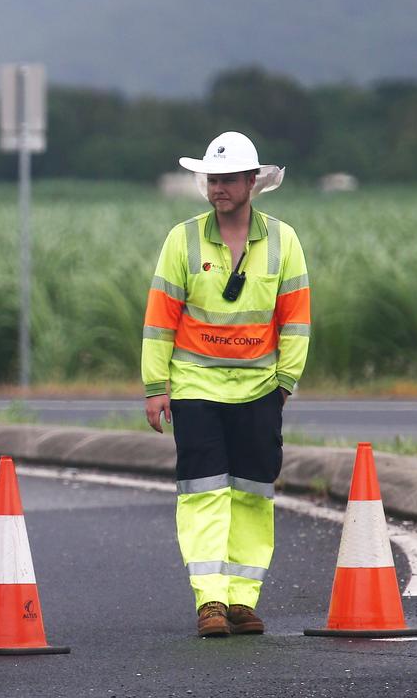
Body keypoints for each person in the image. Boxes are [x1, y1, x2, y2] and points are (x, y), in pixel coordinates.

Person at [141, 132, 311, 637]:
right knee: (203, 493)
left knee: (254, 494)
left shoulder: (283, 240)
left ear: (252, 183)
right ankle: (210, 600)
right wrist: (156, 386)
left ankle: (242, 599)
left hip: (260, 390)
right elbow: (160, 319)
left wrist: (285, 382)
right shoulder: (183, 239)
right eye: (212, 179)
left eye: (229, 179)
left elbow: (296, 318)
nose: (218, 188)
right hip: (195, 388)